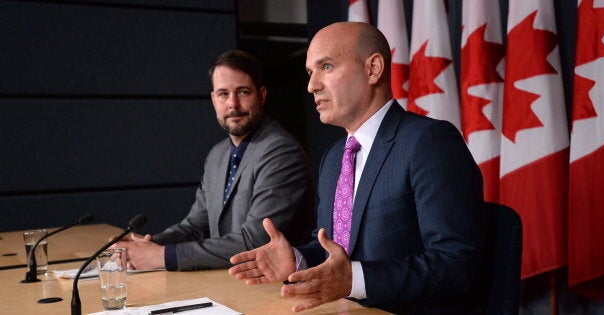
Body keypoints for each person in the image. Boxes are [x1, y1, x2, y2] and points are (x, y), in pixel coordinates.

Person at [228, 22, 487, 314]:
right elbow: (331, 248)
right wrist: (298, 259)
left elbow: (457, 263)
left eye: (326, 67)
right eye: (310, 73)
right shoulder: (334, 156)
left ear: (373, 69)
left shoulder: (429, 142)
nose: (312, 86)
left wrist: (356, 280)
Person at [113, 50, 314, 271]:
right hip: (228, 283)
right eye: (223, 94)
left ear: (262, 95)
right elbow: (195, 227)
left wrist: (163, 256)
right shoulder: (217, 155)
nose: (232, 104)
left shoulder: (281, 152)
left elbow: (256, 241)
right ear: (213, 99)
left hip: (276, 289)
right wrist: (145, 247)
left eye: (243, 92)